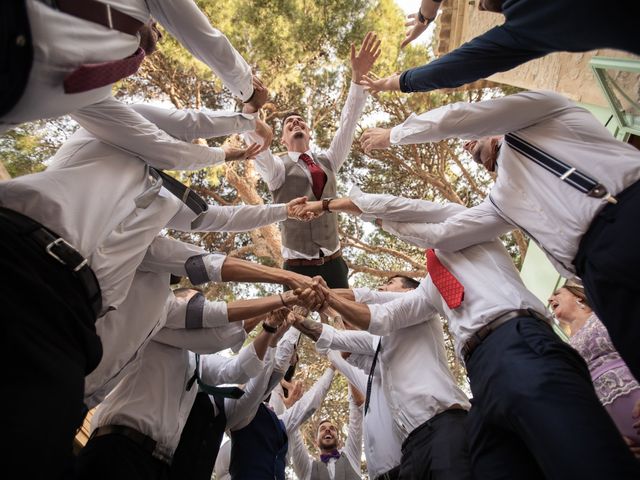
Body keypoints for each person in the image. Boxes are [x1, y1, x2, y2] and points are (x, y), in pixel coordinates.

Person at [0, 102, 290, 478]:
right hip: (22, 260)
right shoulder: (107, 122)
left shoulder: (160, 210)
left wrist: (283, 215)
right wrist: (239, 134)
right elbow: (207, 271)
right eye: (190, 291)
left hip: (69, 354)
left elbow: (219, 224)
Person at [292, 189, 640, 479]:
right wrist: (323, 297)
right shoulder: (431, 289)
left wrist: (326, 205)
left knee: (580, 454)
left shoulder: (468, 224)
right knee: (497, 465)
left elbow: (399, 210)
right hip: (481, 373)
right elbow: (380, 317)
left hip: (517, 340)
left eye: (389, 282)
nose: (383, 285)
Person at [359, 89, 640, 381]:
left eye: (471, 137)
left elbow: (459, 118)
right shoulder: (501, 200)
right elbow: (444, 236)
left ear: (493, 131)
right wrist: (378, 218)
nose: (466, 145)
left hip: (625, 215)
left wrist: (394, 135)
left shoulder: (542, 114)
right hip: (593, 277)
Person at [77, 291, 285, 480]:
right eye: (196, 303)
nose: (202, 310)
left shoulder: (195, 359)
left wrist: (269, 327)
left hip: (157, 464)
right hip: (118, 448)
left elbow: (236, 369)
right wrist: (269, 305)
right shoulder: (158, 321)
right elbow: (218, 334)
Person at [293, 275, 472, 480]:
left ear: (407, 290)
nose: (381, 285)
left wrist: (327, 297)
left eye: (390, 282)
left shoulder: (419, 301)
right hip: (413, 444)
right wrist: (295, 320)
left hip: (443, 426)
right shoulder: (378, 340)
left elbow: (373, 305)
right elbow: (338, 339)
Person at [239, 33, 381, 288]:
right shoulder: (278, 170)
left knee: (350, 323)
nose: (295, 122)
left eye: (300, 120)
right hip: (296, 267)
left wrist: (357, 80)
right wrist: (251, 109)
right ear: (282, 140)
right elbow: (257, 146)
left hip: (335, 260)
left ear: (309, 132)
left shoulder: (328, 160)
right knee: (294, 322)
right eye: (288, 123)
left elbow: (347, 126)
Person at [0, 0, 268, 133]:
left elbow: (177, 124)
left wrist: (246, 124)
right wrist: (248, 91)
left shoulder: (101, 87)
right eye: (156, 23)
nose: (160, 32)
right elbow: (203, 35)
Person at [360, 0, 640, 94]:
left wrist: (394, 83)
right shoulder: (525, 26)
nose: (479, 5)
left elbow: (450, 70)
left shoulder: (527, 27)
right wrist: (426, 16)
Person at [549, 282, 640, 450]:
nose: (550, 298)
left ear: (577, 295)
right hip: (614, 425)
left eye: (557, 293)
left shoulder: (604, 314)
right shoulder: (566, 345)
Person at [288, 376, 364, 480]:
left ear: (340, 441)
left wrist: (347, 370)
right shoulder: (307, 468)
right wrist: (290, 407)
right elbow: (293, 432)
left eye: (332, 428)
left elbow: (355, 414)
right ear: (315, 442)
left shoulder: (351, 456)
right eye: (322, 429)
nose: (328, 430)